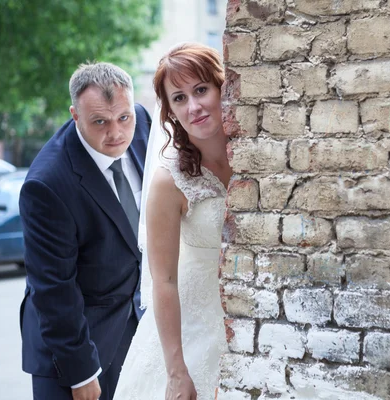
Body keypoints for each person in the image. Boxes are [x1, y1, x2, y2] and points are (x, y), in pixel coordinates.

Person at [19, 62, 151, 400]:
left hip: (135, 329)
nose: (116, 133)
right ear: (75, 115)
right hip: (72, 346)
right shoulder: (47, 184)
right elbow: (53, 288)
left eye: (123, 117)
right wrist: (80, 373)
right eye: (100, 122)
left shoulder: (142, 122)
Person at [114, 43, 231, 399]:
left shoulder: (258, 153)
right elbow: (162, 281)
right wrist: (177, 371)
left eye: (201, 90)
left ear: (221, 87)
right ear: (169, 110)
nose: (193, 107)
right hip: (191, 330)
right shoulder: (170, 182)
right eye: (179, 98)